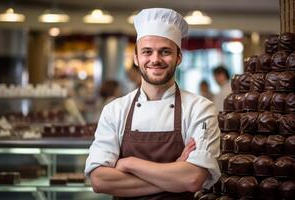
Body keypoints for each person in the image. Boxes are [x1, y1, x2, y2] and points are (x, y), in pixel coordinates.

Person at [85, 8, 221, 199]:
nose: (155, 59)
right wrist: (175, 173)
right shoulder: (115, 110)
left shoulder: (200, 109)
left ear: (178, 57)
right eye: (147, 51)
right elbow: (100, 181)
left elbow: (193, 179)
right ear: (136, 58)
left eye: (165, 51)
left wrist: (130, 163)